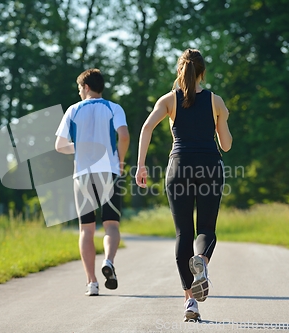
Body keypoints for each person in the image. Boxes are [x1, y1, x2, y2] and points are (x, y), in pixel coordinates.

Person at [135, 49, 232, 321]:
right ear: (203, 72)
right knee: (206, 230)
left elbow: (146, 128)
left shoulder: (168, 100)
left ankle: (190, 302)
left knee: (183, 234)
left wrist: (141, 166)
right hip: (210, 166)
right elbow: (225, 145)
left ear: (180, 71)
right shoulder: (216, 101)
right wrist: (221, 119)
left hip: (178, 167)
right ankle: (201, 260)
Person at [55, 68, 130, 296]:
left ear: (86, 87)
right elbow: (124, 135)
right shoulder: (113, 108)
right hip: (109, 172)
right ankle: (108, 260)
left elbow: (59, 145)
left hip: (83, 175)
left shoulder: (73, 110)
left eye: (79, 88)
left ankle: (92, 283)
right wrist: (121, 160)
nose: (79, 92)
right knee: (111, 225)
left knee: (86, 230)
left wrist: (80, 147)